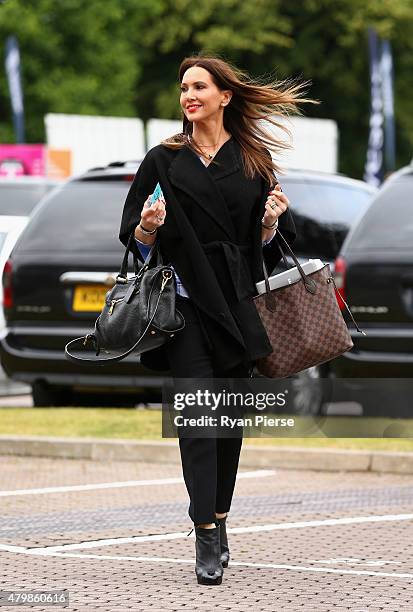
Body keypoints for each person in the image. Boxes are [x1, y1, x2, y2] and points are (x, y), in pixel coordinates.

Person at [119, 54, 314, 585]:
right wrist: (147, 227)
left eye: (199, 86)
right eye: (183, 88)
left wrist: (271, 224)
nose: (188, 96)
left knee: (229, 426)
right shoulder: (163, 159)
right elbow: (131, 239)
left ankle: (220, 518)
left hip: (240, 311)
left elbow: (271, 248)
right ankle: (204, 529)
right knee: (199, 423)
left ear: (225, 96)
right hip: (185, 311)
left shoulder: (254, 159)